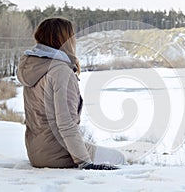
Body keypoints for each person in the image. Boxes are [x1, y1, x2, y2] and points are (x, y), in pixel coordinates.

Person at [17, 17, 126, 170]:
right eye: (72, 36)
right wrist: (84, 162)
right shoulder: (60, 71)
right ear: (65, 40)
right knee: (119, 158)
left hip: (36, 151)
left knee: (100, 151)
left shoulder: (35, 67)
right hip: (57, 154)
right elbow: (66, 123)